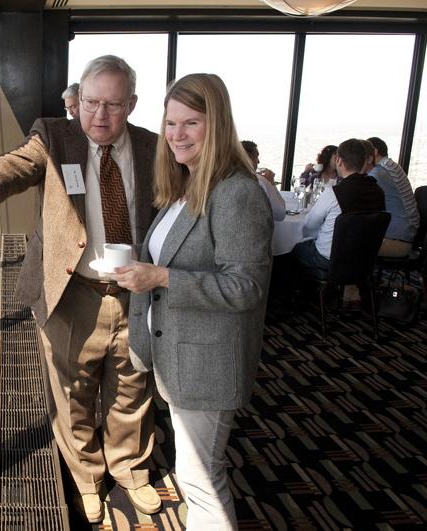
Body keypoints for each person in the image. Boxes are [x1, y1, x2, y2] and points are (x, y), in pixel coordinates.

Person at [0, 55, 161, 523]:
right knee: (72, 391)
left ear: (133, 105)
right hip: (72, 291)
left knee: (132, 388)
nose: (100, 115)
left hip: (137, 293)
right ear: (77, 100)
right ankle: (86, 476)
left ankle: (130, 469)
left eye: (114, 105)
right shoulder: (55, 137)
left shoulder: (153, 148)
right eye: (91, 102)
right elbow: (15, 165)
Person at [112, 73, 273, 529]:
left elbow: (246, 288)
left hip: (208, 364)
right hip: (179, 357)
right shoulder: (187, 186)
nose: (177, 135)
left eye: (191, 123)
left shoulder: (236, 192)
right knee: (194, 475)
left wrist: (161, 276)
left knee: (201, 480)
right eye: (170, 123)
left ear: (216, 124)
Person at [292, 138, 385, 277]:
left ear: (339, 161)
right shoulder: (378, 191)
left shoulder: (334, 193)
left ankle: (302, 295)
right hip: (364, 260)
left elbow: (310, 225)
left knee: (292, 250)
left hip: (330, 259)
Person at [366, 136, 419, 257]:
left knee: (350, 241)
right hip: (408, 230)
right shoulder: (390, 165)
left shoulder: (380, 172)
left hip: (398, 239)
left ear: (374, 152)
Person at [242, 140, 285, 221]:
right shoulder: (260, 181)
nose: (258, 161)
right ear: (249, 158)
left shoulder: (225, 179)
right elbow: (280, 214)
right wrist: (271, 183)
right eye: (256, 157)